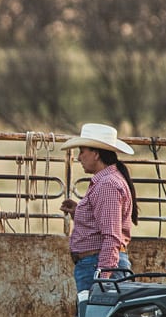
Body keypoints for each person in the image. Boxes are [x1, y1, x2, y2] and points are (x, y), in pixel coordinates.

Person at [59, 123, 138, 293]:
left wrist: (102, 278)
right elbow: (103, 225)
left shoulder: (107, 184)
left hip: (98, 265)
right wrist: (79, 212)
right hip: (98, 264)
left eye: (82, 151)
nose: (79, 157)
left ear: (95, 153)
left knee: (95, 316)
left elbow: (111, 236)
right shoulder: (107, 181)